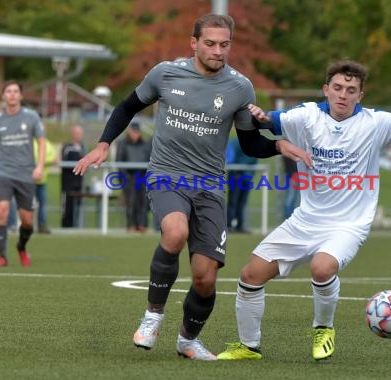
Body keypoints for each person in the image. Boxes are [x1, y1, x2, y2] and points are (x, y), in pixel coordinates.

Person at [73, 14, 310, 361]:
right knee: (174, 232)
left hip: (211, 186)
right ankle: (153, 316)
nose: (218, 51)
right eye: (210, 43)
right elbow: (127, 107)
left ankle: (188, 340)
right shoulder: (166, 73)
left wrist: (277, 145)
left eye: (224, 44)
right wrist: (104, 143)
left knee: (205, 279)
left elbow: (248, 143)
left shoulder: (240, 88)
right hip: (167, 174)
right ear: (194, 43)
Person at [217, 51, 391, 361]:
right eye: (338, 88)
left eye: (351, 90)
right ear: (326, 89)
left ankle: (323, 328)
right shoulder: (305, 116)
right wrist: (257, 115)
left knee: (322, 266)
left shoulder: (375, 123)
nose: (343, 95)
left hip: (349, 223)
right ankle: (249, 347)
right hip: (306, 220)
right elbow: (261, 123)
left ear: (360, 95)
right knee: (251, 275)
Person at [0, 80, 46, 267]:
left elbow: (42, 142)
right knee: (1, 210)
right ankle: (2, 256)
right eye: (8, 91)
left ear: (21, 95)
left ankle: (21, 246)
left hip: (26, 174)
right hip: (3, 173)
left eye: (15, 91)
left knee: (27, 221)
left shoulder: (32, 117)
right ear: (3, 96)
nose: (12, 94)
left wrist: (39, 166)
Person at [116, 122, 153, 233]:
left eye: (137, 131)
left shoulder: (144, 144)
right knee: (131, 202)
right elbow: (119, 161)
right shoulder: (122, 144)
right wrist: (124, 177)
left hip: (142, 176)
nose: (135, 134)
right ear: (129, 131)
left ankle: (142, 225)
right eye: (134, 131)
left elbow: (149, 160)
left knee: (143, 202)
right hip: (128, 177)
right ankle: (131, 225)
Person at [226, 136, 257, 233]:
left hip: (247, 176)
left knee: (242, 202)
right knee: (233, 202)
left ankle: (240, 225)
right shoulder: (236, 142)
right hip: (236, 175)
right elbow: (230, 158)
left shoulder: (255, 144)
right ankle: (228, 225)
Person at [33, 129, 58, 233]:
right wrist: (46, 161)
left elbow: (55, 159)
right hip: (30, 180)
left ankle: (41, 226)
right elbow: (33, 159)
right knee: (27, 204)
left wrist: (42, 161)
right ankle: (26, 225)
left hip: (43, 180)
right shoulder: (32, 143)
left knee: (43, 205)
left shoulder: (48, 144)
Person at [61, 125, 85, 228]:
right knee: (67, 207)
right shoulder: (67, 148)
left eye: (80, 133)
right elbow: (64, 164)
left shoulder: (83, 148)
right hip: (68, 184)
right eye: (77, 133)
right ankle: (66, 227)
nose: (79, 136)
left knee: (78, 206)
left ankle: (77, 226)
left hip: (79, 183)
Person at [282, 156, 300, 220]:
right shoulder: (289, 147)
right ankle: (288, 220)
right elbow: (287, 159)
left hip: (299, 174)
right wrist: (290, 174)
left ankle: (293, 221)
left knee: (295, 202)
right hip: (292, 174)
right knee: (289, 201)